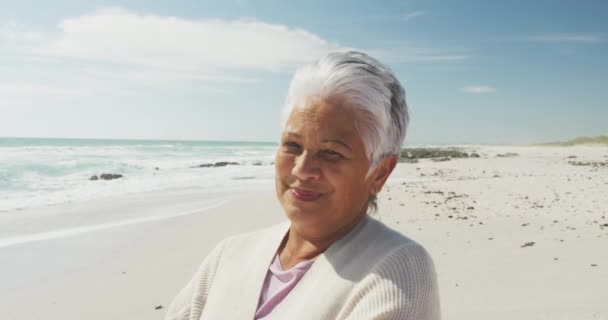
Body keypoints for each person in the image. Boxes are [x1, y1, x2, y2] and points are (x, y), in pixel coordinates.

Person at [164, 51, 441, 320]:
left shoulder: (396, 270)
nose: (302, 169)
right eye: (293, 146)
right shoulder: (230, 255)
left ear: (380, 173)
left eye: (332, 152)